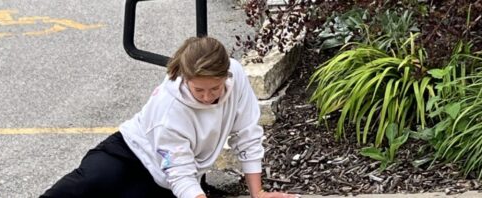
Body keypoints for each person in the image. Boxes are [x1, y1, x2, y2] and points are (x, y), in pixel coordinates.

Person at [41, 36, 298, 198]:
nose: (208, 97)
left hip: (162, 182)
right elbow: (180, 172)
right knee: (83, 186)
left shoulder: (236, 74)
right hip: (128, 153)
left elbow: (248, 134)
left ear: (226, 76)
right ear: (186, 79)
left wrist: (258, 192)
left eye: (214, 89)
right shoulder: (169, 109)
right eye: (199, 90)